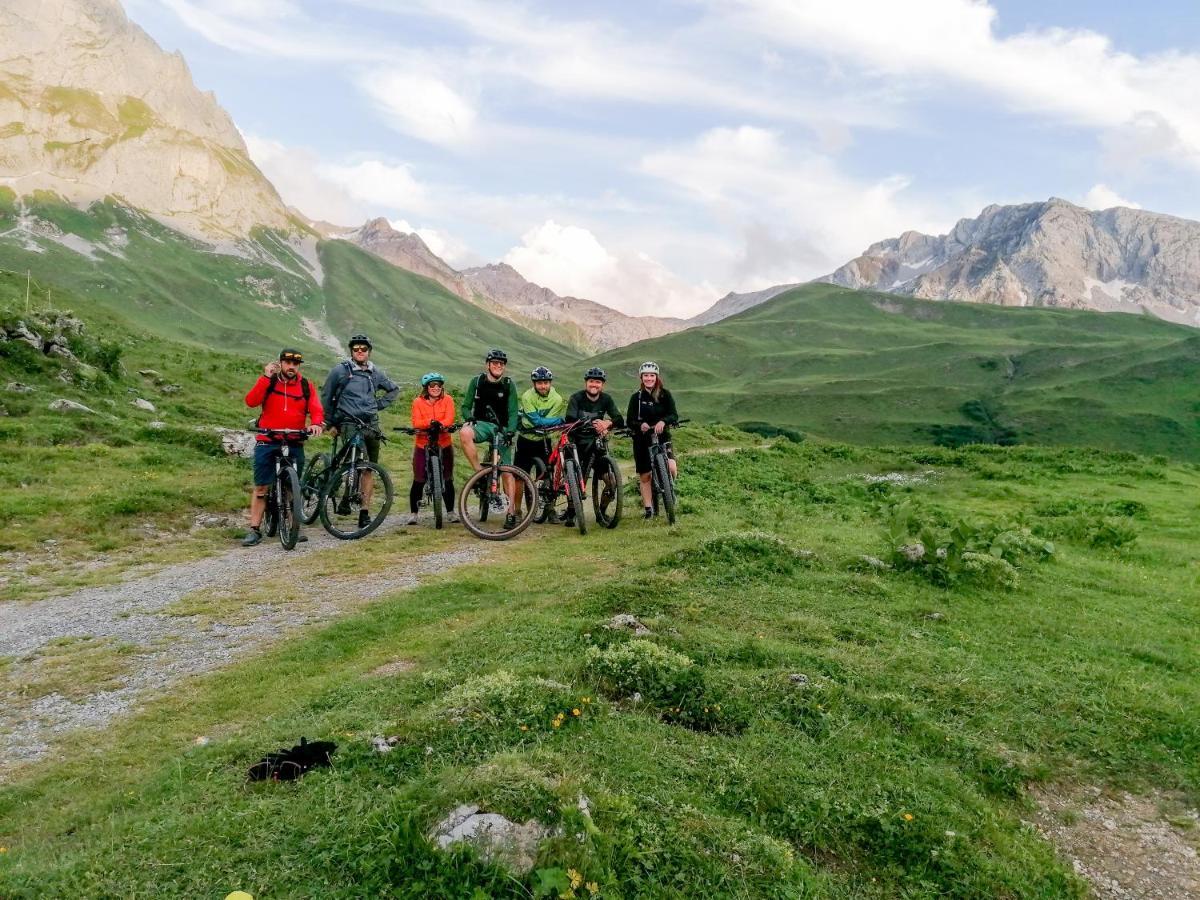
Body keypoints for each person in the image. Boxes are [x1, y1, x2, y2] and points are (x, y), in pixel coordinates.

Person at [242, 348, 324, 546]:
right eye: (287, 363)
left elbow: (316, 408)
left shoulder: (306, 385)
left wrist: (315, 423)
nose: (291, 367)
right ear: (280, 363)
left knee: (291, 485)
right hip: (268, 440)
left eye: (295, 364)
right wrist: (265, 377)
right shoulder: (269, 382)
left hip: (294, 439)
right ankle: (254, 529)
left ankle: (291, 523)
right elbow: (251, 401)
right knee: (261, 486)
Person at [319, 334, 400, 529]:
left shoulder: (375, 373)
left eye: (363, 349)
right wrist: (330, 423)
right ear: (351, 351)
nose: (360, 352)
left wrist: (377, 405)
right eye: (356, 349)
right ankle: (345, 494)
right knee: (357, 463)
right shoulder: (340, 370)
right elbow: (327, 395)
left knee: (368, 468)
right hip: (349, 423)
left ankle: (364, 512)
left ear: (369, 351)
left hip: (371, 424)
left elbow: (393, 389)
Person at [457, 348, 520, 524]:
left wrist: (510, 432)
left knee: (507, 471)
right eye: (495, 363)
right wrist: (469, 418)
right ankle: (480, 473)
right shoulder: (476, 381)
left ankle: (511, 513)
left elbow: (514, 412)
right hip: (482, 425)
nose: (498, 366)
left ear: (504, 367)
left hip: (502, 428)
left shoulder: (509, 384)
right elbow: (465, 406)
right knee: (464, 432)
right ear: (487, 365)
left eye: (501, 364)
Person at [562, 366, 624, 527]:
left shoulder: (606, 399)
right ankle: (571, 511)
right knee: (574, 477)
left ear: (602, 385)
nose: (594, 385)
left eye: (597, 382)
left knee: (611, 481)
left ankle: (601, 512)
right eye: (591, 381)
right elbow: (569, 419)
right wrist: (589, 423)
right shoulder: (576, 398)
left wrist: (607, 423)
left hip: (595, 444)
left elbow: (619, 419)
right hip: (576, 442)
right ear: (586, 383)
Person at [625, 361, 679, 519]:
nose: (649, 378)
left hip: (662, 436)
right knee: (645, 475)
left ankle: (669, 488)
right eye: (646, 375)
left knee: (671, 467)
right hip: (642, 439)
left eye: (652, 375)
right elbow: (629, 420)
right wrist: (640, 424)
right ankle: (649, 509)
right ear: (641, 378)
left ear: (657, 377)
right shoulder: (636, 398)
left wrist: (664, 421)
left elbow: (673, 414)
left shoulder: (665, 394)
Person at [512, 365, 566, 522]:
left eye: (546, 382)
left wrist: (544, 422)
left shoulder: (557, 399)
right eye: (539, 383)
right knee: (519, 477)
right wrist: (552, 421)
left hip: (544, 441)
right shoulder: (527, 396)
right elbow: (537, 421)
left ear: (550, 383)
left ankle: (549, 511)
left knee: (549, 476)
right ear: (533, 383)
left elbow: (543, 423)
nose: (543, 386)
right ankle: (517, 510)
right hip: (525, 439)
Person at [407, 372, 457, 525]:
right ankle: (414, 514)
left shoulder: (448, 400)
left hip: (444, 442)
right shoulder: (418, 402)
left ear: (442, 387)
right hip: (423, 443)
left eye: (438, 385)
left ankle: (450, 512)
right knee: (419, 479)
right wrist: (432, 422)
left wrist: (441, 425)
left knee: (448, 478)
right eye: (432, 385)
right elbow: (416, 422)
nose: (436, 388)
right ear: (426, 387)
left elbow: (449, 418)